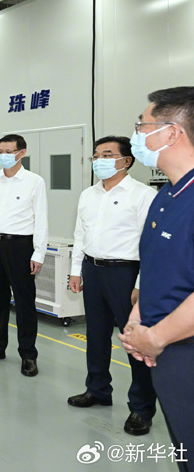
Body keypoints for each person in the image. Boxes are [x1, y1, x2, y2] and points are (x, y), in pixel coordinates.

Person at [120, 87, 194, 471]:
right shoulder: (166, 195)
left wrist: (156, 337)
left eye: (142, 126)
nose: (136, 135)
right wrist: (138, 322)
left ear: (172, 132)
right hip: (163, 352)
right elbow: (154, 267)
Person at [67, 136, 157, 436]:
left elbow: (150, 244)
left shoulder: (142, 195)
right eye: (96, 155)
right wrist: (75, 271)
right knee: (96, 335)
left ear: (126, 161)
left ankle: (141, 408)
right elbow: (80, 234)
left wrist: (141, 283)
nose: (99, 161)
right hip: (92, 269)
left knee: (133, 340)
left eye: (107, 155)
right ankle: (97, 389)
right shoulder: (88, 195)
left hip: (126, 274)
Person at [0, 134, 48, 377]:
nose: (4, 156)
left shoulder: (34, 181)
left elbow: (41, 219)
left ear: (21, 153)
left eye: (9, 151)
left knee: (25, 303)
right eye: (0, 152)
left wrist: (38, 253)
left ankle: (28, 354)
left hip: (21, 246)